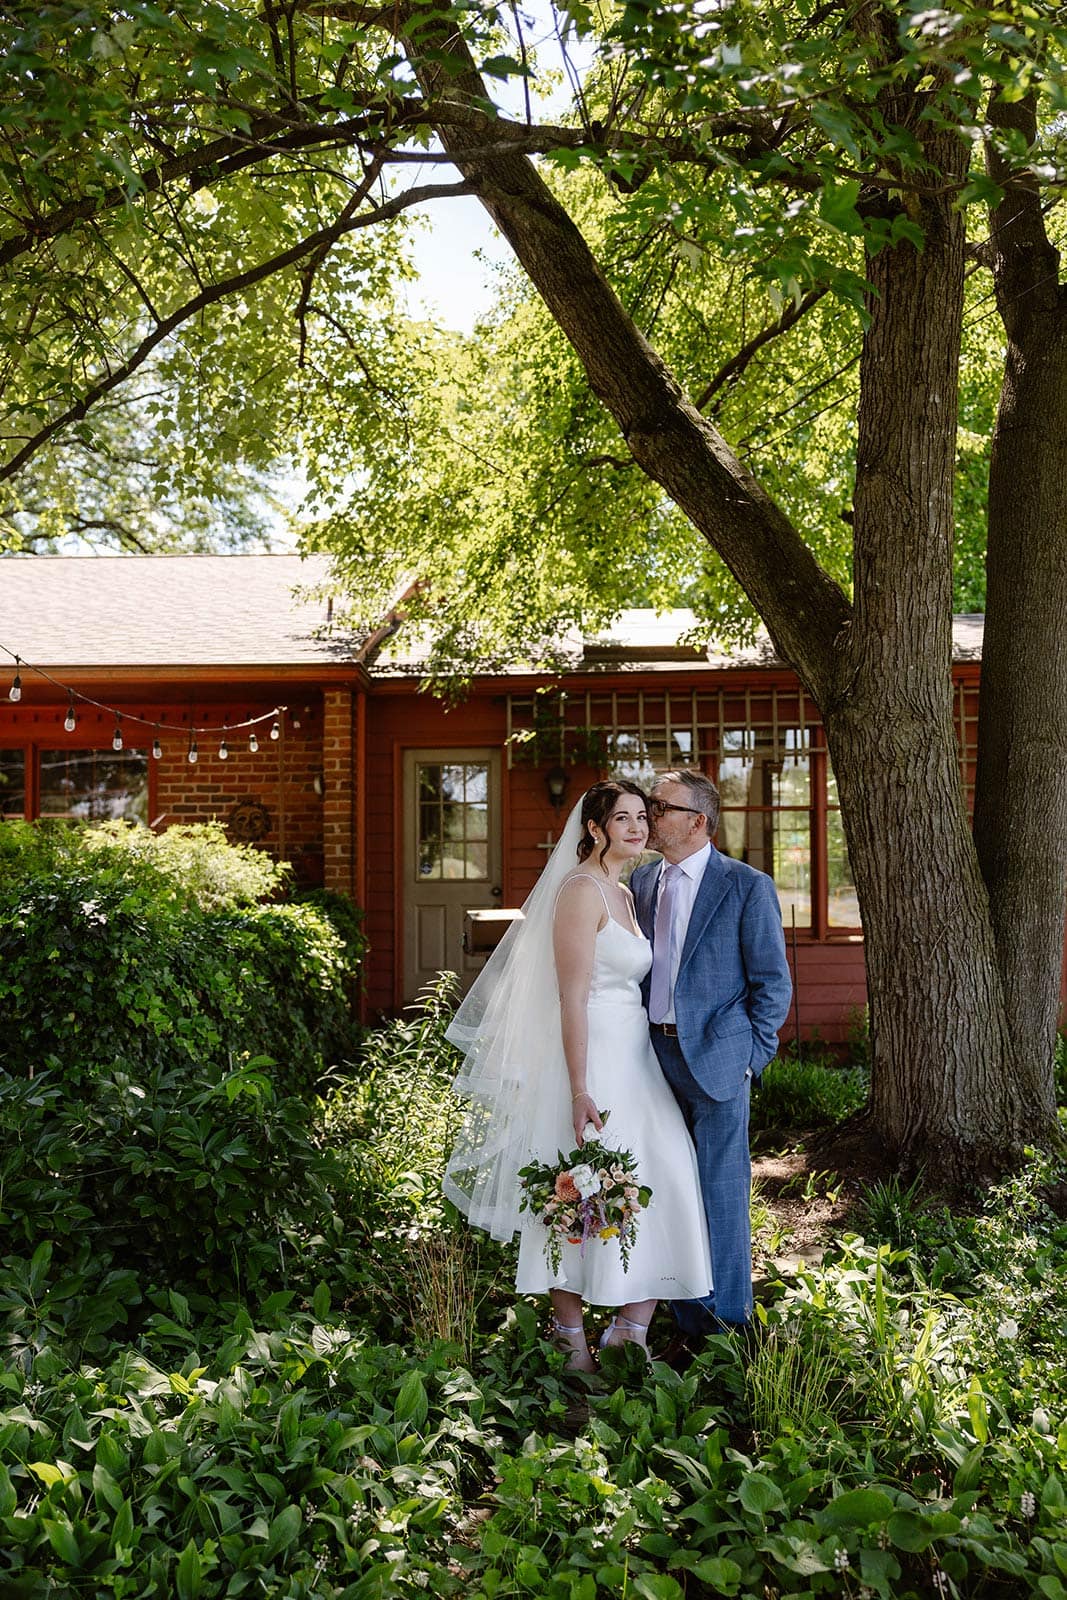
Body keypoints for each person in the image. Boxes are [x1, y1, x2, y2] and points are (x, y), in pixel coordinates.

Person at [444, 780, 712, 1372]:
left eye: (644, 816)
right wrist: (579, 1088)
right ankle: (571, 1342)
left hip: (636, 1057)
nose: (638, 828)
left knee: (661, 1175)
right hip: (588, 1062)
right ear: (595, 829)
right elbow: (570, 998)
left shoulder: (629, 893)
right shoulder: (580, 892)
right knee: (573, 1193)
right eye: (623, 818)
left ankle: (628, 1331)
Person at [630, 768, 793, 1338]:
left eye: (662, 806)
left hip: (721, 1061)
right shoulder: (643, 885)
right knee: (667, 1190)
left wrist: (752, 1056)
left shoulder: (747, 886)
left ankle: (727, 1324)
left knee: (720, 1191)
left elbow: (772, 983)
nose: (650, 814)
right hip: (650, 1061)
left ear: (698, 821)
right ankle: (683, 1312)